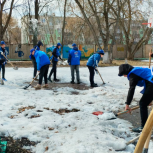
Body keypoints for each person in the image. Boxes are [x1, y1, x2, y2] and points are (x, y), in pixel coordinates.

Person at [118, 64, 153, 132]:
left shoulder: (133, 74)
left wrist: (127, 104)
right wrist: (149, 99)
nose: (124, 76)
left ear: (125, 72)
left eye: (123, 74)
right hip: (151, 82)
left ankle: (144, 127)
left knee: (142, 103)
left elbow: (131, 89)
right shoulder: (137, 70)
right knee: (144, 102)